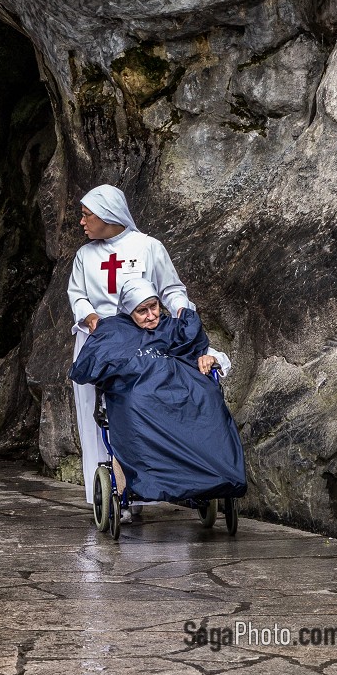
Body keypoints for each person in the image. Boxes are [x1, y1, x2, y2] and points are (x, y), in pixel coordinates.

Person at [70, 277, 246, 504]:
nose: (151, 315)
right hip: (140, 401)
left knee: (210, 400)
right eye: (142, 311)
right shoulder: (113, 333)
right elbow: (88, 367)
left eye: (153, 307)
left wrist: (211, 358)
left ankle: (215, 477)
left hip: (185, 395)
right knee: (138, 405)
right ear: (128, 311)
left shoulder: (174, 329)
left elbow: (206, 351)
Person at [67, 184, 189, 505]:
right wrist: (91, 317)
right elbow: (77, 296)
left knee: (142, 409)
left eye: (86, 215)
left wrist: (181, 311)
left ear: (108, 215)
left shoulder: (148, 247)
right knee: (95, 417)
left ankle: (147, 485)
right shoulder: (84, 255)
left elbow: (171, 288)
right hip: (96, 343)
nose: (81, 222)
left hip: (141, 342)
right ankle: (105, 493)